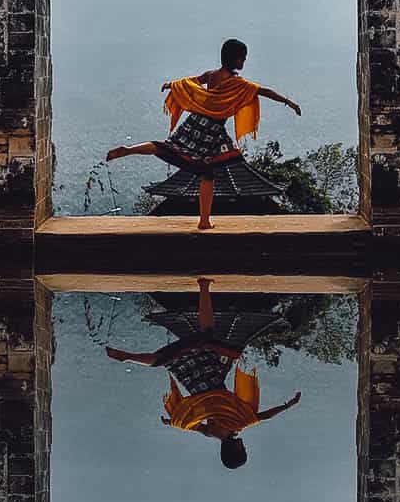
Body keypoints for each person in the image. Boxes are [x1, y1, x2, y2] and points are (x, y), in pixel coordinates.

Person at [105, 38, 302, 231]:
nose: (243, 62)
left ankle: (129, 150)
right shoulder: (237, 83)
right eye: (242, 58)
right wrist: (288, 102)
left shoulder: (211, 75)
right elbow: (263, 91)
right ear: (234, 58)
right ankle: (204, 221)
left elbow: (189, 83)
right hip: (212, 130)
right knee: (210, 172)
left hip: (194, 122)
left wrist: (171, 85)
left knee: (167, 147)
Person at [107, 277, 301, 467]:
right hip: (193, 384)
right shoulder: (211, 432)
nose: (245, 447)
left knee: (207, 333)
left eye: (244, 450)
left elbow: (264, 416)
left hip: (212, 377)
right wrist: (172, 421)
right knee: (166, 360)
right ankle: (129, 357)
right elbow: (191, 427)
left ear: (237, 450)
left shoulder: (238, 423)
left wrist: (287, 405)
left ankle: (204, 285)